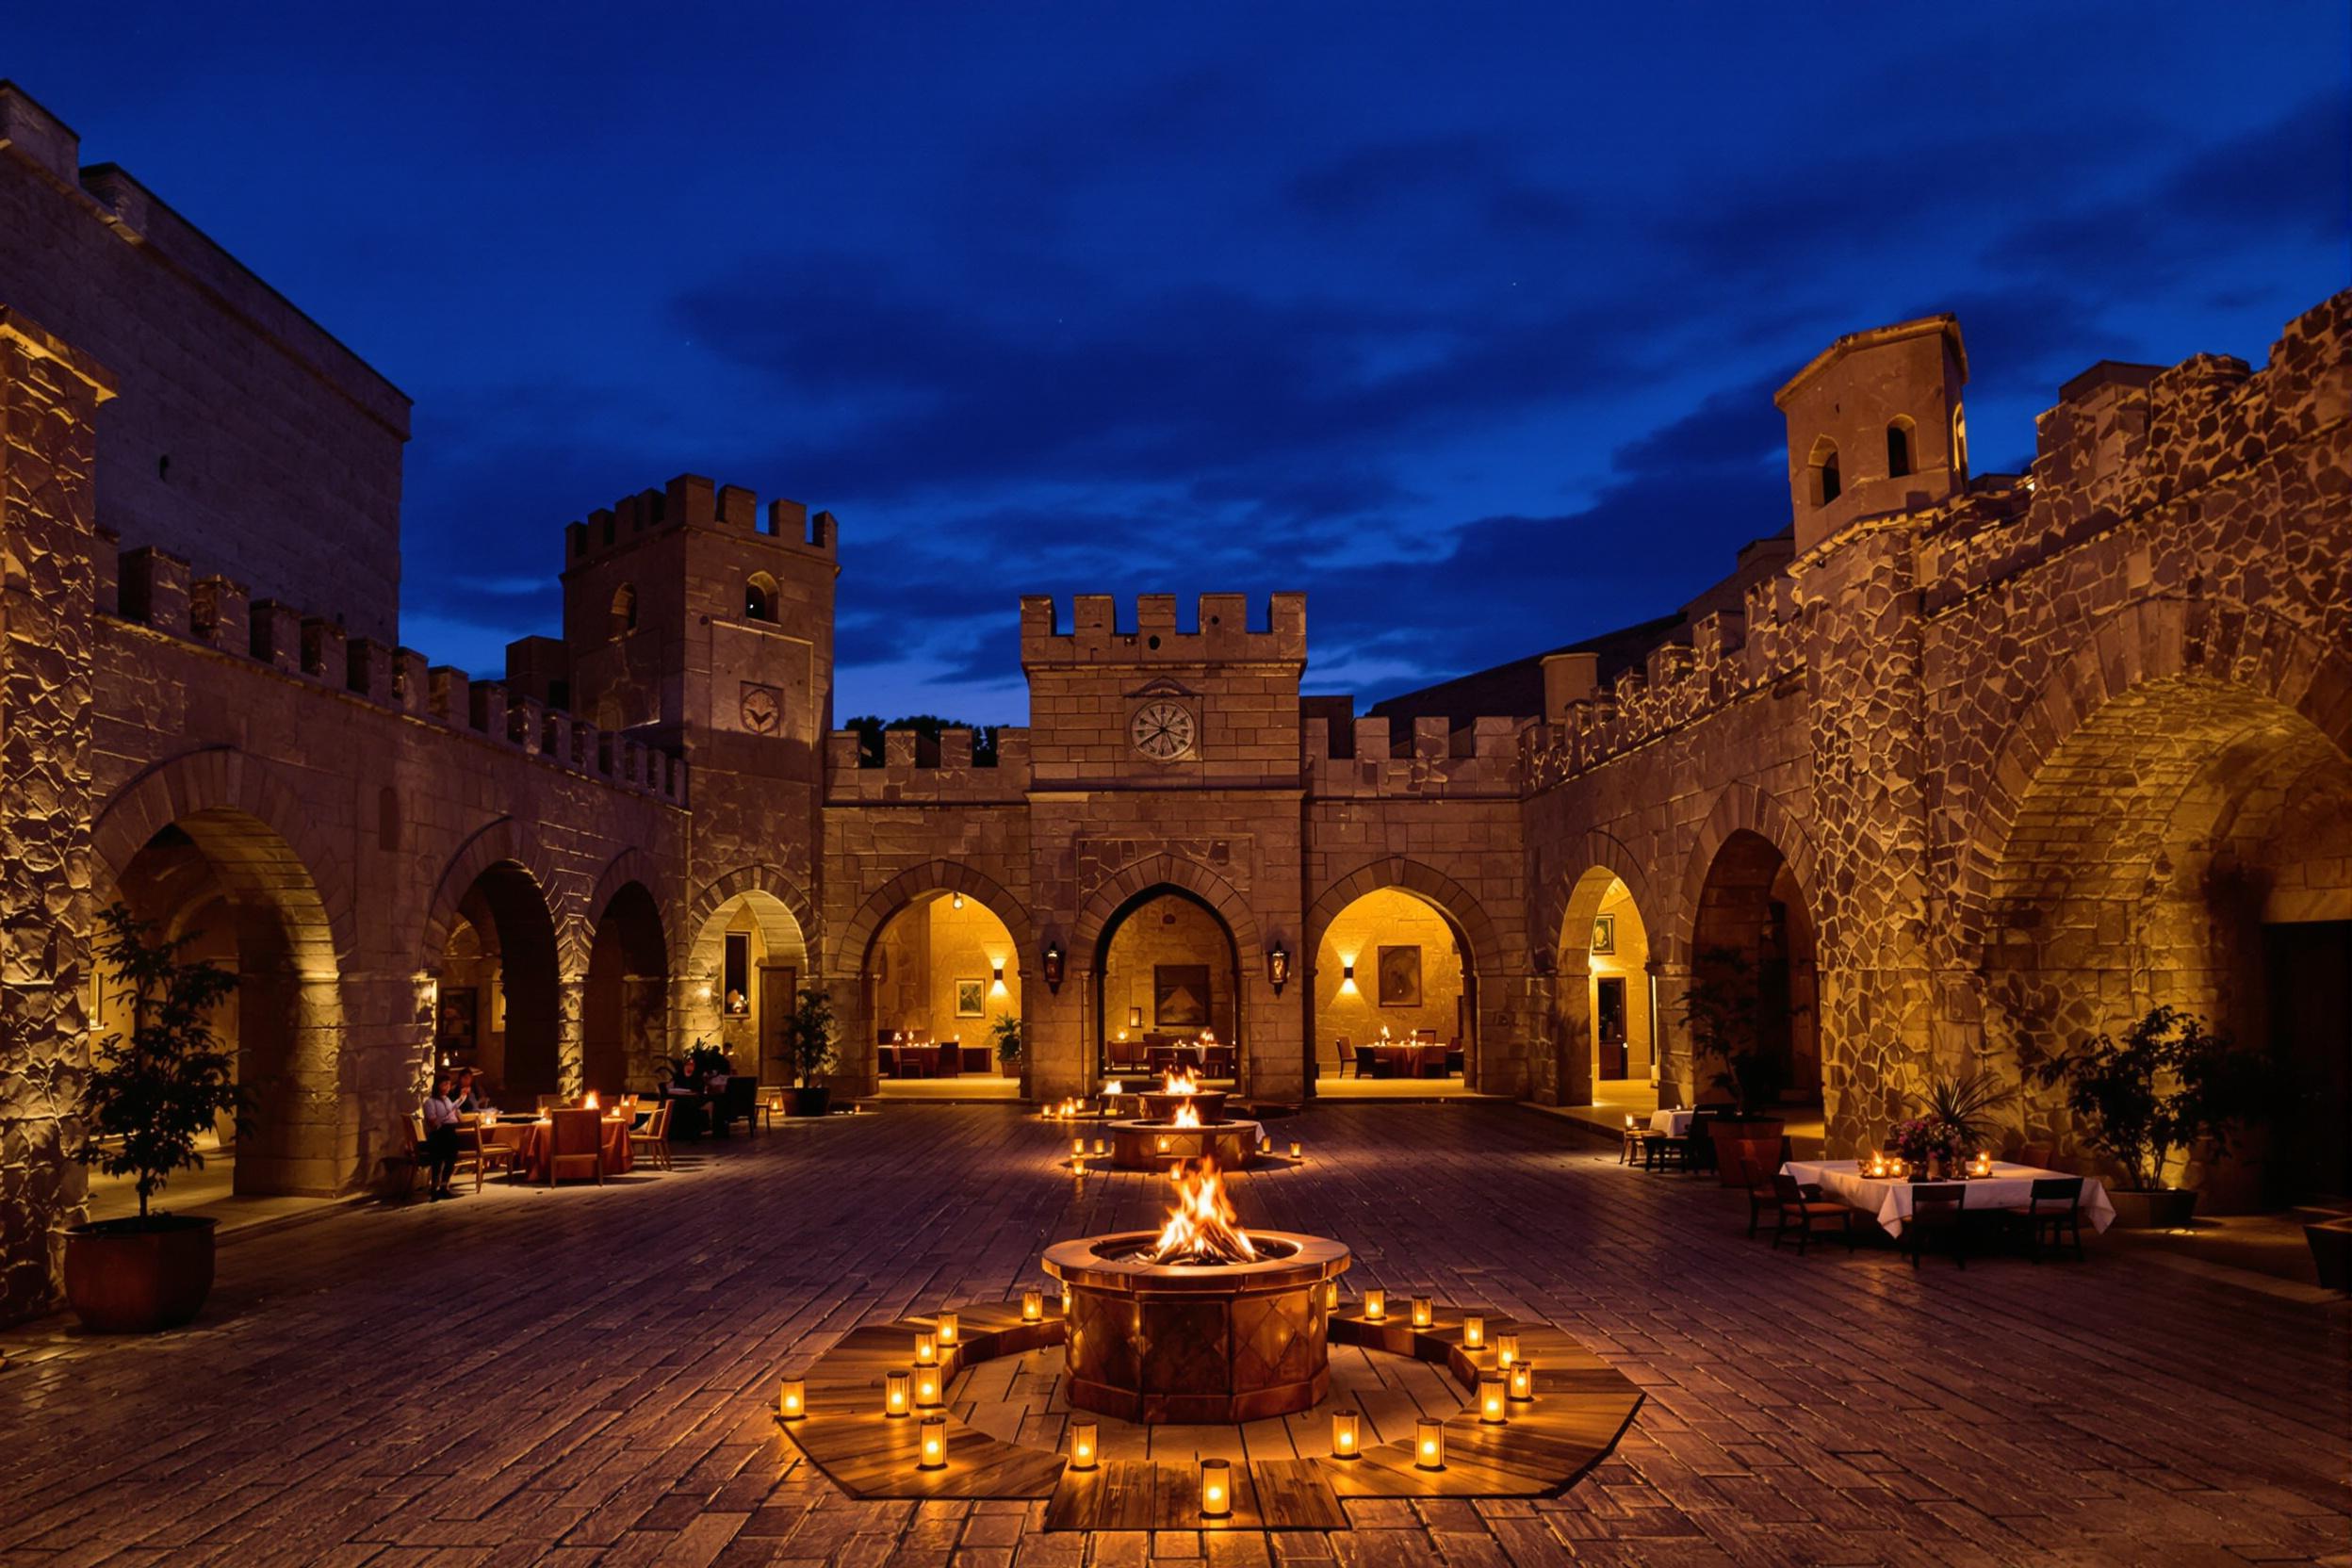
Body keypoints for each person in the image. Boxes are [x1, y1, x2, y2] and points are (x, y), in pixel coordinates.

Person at [422, 1070, 463, 1200]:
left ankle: (445, 1186)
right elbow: (433, 1123)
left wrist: (457, 1109)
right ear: (438, 1085)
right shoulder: (430, 1102)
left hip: (450, 1131)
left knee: (452, 1157)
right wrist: (447, 1115)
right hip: (438, 1134)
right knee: (438, 1160)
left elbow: (453, 1116)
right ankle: (435, 1187)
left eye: (449, 1084)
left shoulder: (447, 1100)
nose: (447, 1087)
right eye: (445, 1084)